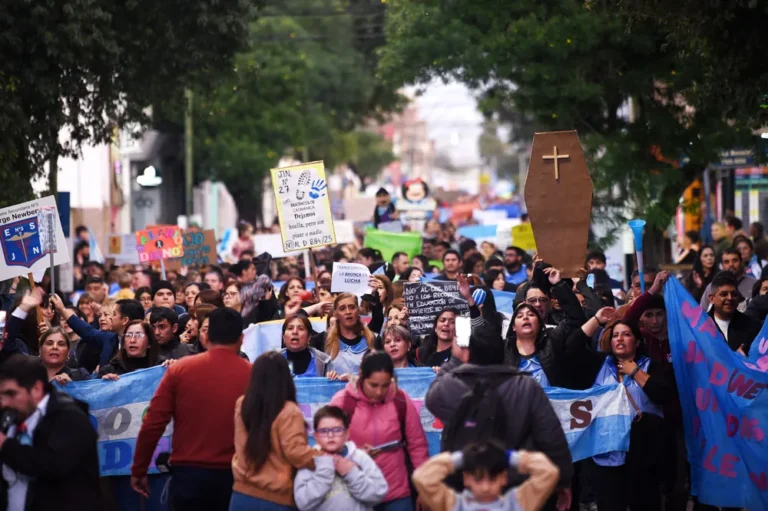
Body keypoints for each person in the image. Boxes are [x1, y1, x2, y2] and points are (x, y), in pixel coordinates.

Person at [426, 326, 573, 511]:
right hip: (515, 484)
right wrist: (563, 482)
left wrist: (455, 359)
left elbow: (432, 397)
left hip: (467, 484)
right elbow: (551, 437)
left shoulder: (451, 384)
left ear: (469, 351)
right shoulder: (525, 386)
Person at [132, 308, 252, 510]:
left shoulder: (180, 370)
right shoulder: (253, 374)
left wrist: (139, 469)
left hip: (188, 475)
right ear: (241, 339)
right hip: (237, 476)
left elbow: (153, 423)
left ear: (206, 336)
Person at [566, 316, 673, 511]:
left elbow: (663, 395)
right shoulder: (599, 365)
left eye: (626, 334)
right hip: (606, 457)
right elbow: (572, 348)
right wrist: (597, 318)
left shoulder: (651, 366)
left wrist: (635, 373)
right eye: (615, 335)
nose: (620, 339)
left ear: (637, 341)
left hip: (644, 456)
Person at [330, 352, 429, 511]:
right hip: (354, 494)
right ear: (361, 377)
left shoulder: (401, 400)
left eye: (385, 385)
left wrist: (425, 489)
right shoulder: (342, 402)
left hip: (397, 493)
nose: (379, 392)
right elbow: (327, 448)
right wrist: (356, 457)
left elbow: (417, 446)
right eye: (373, 385)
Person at [0, 355, 101, 510]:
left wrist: (5, 444)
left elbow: (54, 465)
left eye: (11, 394)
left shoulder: (71, 419)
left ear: (36, 390)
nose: (4, 402)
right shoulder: (9, 416)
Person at [231, 351, 320, 509]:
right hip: (275, 500)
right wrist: (329, 458)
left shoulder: (242, 404)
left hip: (240, 495)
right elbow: (296, 453)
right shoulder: (289, 411)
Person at [413, 443, 560, 511]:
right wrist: (462, 457)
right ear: (466, 479)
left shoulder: (517, 503)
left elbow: (548, 472)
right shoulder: (454, 505)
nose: (485, 487)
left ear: (504, 478)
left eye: (493, 479)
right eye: (478, 479)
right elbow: (422, 477)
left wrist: (510, 457)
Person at [294, 406, 389, 511]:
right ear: (316, 436)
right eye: (324, 431)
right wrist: (324, 471)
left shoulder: (360, 457)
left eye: (337, 430)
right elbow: (303, 503)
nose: (330, 435)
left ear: (347, 433)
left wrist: (351, 473)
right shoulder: (310, 461)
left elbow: (377, 495)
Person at [52, 294, 145, 370]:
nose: (110, 318)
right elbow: (87, 331)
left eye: (114, 314)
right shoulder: (109, 338)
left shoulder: (146, 341)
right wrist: (62, 309)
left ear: (125, 320)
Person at [706, 271, 761, 353]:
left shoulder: (753, 326)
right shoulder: (701, 326)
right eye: (724, 294)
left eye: (734, 294)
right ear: (712, 298)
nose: (730, 298)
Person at [324, 293, 376, 379]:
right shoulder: (324, 339)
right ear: (335, 314)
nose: (348, 312)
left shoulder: (372, 339)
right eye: (342, 308)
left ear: (358, 310)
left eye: (352, 307)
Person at [98, 320, 164, 378]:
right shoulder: (110, 370)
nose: (132, 340)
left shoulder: (161, 366)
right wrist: (105, 384)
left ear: (149, 343)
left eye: (139, 335)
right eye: (128, 335)